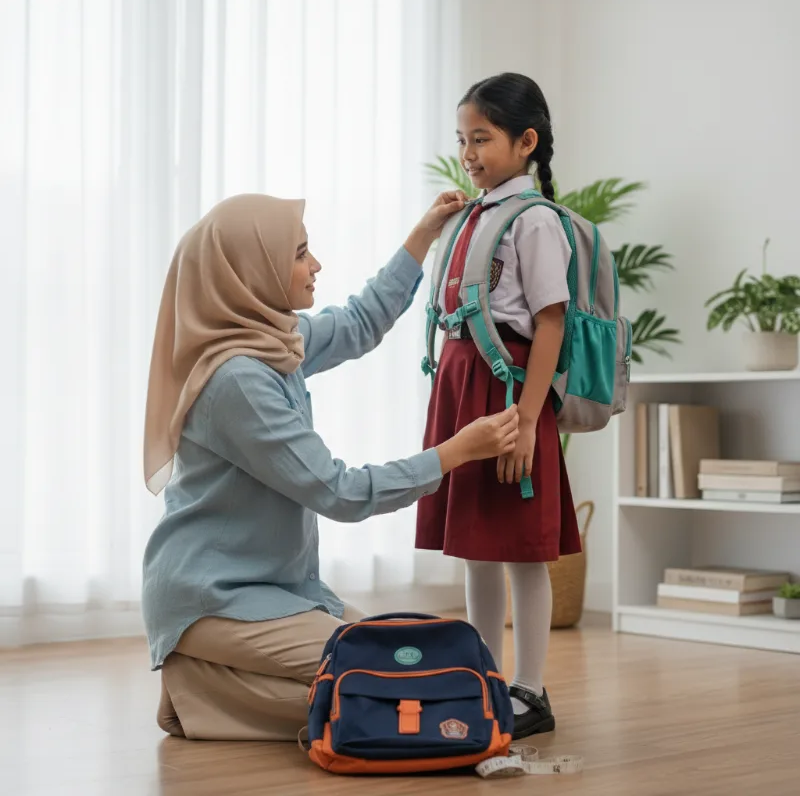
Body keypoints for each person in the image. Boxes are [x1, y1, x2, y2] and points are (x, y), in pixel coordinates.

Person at [141, 191, 521, 741]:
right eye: (299, 253)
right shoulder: (238, 382)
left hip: (276, 590)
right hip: (213, 597)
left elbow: (358, 323)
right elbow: (339, 491)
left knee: (398, 660)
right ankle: (196, 685)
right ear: (254, 270)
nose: (314, 265)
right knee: (384, 678)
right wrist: (455, 452)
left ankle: (202, 680)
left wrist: (424, 234)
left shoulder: (274, 343)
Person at [415, 72, 582, 740]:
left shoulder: (535, 220)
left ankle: (531, 691)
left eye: (481, 137)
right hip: (465, 395)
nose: (469, 151)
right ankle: (482, 678)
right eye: (462, 139)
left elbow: (550, 322)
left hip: (509, 396)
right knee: (478, 546)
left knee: (521, 550)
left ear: (526, 142)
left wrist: (525, 428)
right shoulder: (473, 213)